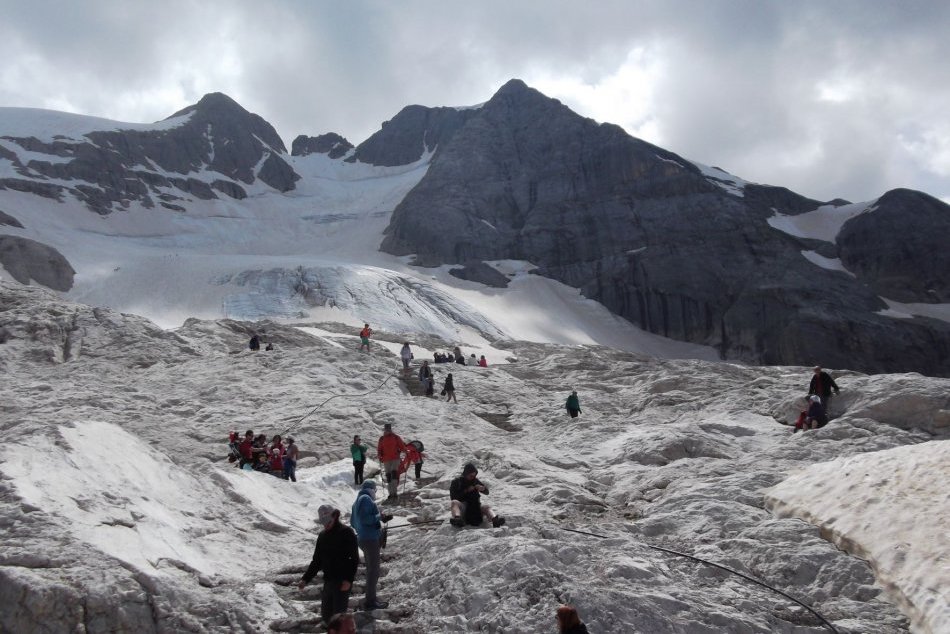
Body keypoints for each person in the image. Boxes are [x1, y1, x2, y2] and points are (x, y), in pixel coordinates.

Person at [299, 505, 359, 625]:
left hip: (342, 582)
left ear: (335, 516)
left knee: (338, 618)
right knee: (326, 616)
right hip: (328, 581)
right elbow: (317, 561)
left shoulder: (346, 532)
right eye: (323, 523)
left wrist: (348, 580)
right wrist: (305, 579)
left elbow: (354, 559)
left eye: (328, 522)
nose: (326, 525)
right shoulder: (322, 536)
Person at [350, 481, 393, 610]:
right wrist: (379, 517)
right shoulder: (366, 499)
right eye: (375, 490)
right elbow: (365, 519)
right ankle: (371, 601)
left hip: (363, 538)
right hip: (370, 539)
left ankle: (370, 599)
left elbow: (353, 522)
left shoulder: (357, 501)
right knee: (373, 571)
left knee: (371, 570)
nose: (375, 493)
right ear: (372, 489)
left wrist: (375, 521)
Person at [449, 463, 505, 528]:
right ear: (466, 474)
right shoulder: (456, 482)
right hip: (463, 507)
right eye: (471, 476)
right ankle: (457, 519)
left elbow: (487, 492)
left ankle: (495, 520)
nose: (473, 477)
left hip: (475, 508)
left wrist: (482, 488)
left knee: (486, 507)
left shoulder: (475, 480)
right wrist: (466, 491)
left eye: (474, 475)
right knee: (454, 502)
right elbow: (453, 497)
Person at [377, 424, 407, 500]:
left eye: (388, 429)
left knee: (393, 474)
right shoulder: (382, 439)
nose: (387, 430)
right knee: (389, 476)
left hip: (394, 459)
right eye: (386, 429)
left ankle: (394, 493)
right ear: (385, 429)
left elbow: (402, 446)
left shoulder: (396, 437)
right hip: (386, 459)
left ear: (390, 429)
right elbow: (379, 449)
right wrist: (380, 456)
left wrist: (406, 451)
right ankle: (391, 493)